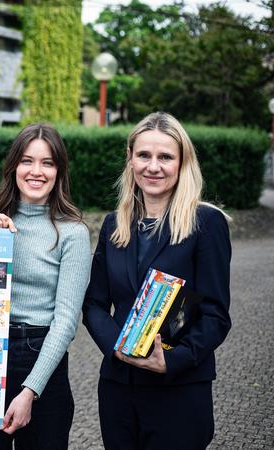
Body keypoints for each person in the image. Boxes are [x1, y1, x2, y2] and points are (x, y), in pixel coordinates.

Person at [82, 112, 231, 450]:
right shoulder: (114, 225)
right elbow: (94, 305)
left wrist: (171, 359)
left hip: (178, 388)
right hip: (119, 388)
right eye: (144, 155)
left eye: (165, 156)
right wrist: (118, 349)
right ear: (131, 159)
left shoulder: (205, 223)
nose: (153, 166)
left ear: (182, 163)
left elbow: (215, 314)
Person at [0, 123, 91, 449]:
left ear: (59, 171)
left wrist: (30, 390)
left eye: (47, 163)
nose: (37, 171)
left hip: (41, 358)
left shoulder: (72, 232)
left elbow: (65, 322)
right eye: (27, 161)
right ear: (14, 167)